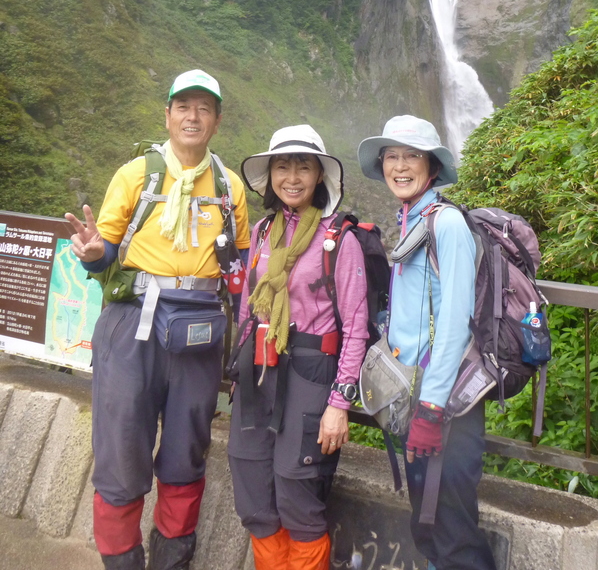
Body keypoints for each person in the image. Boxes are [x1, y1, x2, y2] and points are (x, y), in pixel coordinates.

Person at [65, 69, 250, 570]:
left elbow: (241, 267)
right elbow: (103, 252)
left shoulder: (229, 186)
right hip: (133, 326)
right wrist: (93, 254)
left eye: (204, 108)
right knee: (122, 450)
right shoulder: (135, 175)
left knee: (186, 453)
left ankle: (172, 562)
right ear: (166, 115)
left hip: (200, 328)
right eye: (183, 106)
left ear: (216, 120)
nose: (193, 116)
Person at [358, 115, 497, 570]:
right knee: (430, 528)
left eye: (411, 156)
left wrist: (432, 410)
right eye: (391, 156)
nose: (400, 166)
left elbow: (456, 324)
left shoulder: (447, 224)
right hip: (419, 402)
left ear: (431, 168)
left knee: (454, 536)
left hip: (446, 409)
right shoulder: (412, 220)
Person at [227, 124, 369, 570]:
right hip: (261, 370)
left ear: (319, 177)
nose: (292, 176)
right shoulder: (264, 233)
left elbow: (357, 326)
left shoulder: (338, 241)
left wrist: (340, 402)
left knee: (297, 489)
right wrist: (239, 374)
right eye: (282, 166)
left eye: (303, 166)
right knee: (253, 488)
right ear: (270, 176)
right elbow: (249, 309)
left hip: (312, 371)